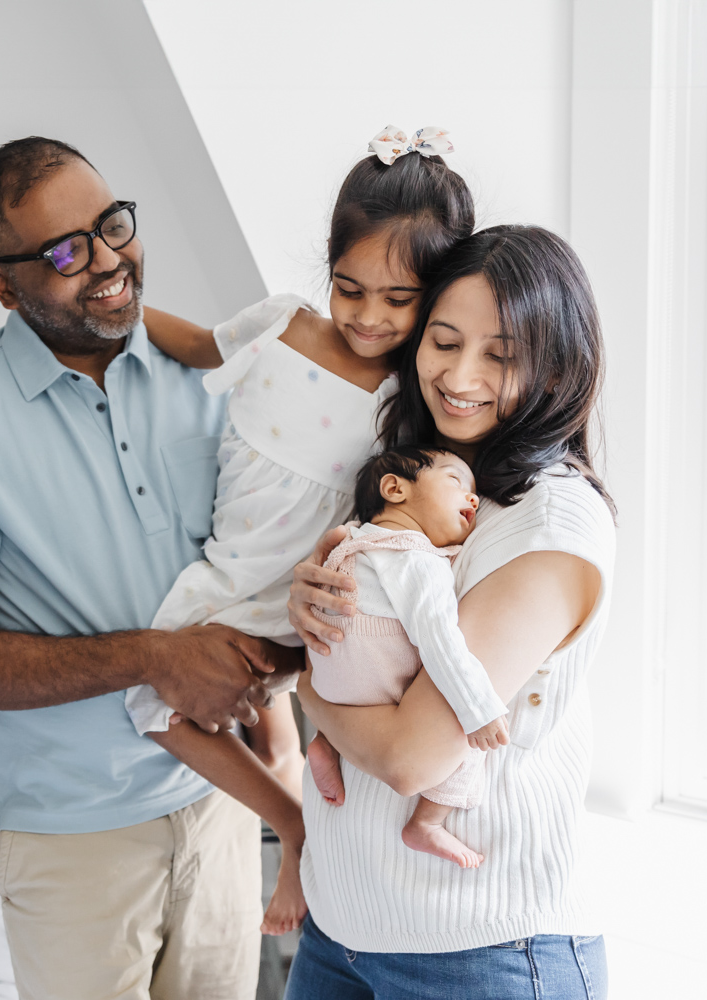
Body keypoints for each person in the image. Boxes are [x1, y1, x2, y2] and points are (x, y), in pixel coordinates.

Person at [0, 136, 305, 1000]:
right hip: (72, 843)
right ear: (1, 284)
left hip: (221, 807)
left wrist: (282, 742)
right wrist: (153, 657)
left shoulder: (207, 373)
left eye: (113, 225)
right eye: (65, 253)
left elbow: (254, 556)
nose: (109, 260)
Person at [126, 126, 476, 935]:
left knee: (164, 701)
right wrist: (117, 312)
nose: (368, 317)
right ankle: (294, 800)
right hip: (232, 570)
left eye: (398, 300)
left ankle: (294, 823)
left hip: (312, 602)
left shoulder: (411, 397)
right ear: (327, 268)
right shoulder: (282, 323)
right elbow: (200, 347)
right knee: (167, 696)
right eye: (349, 289)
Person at [284, 225, 616, 999]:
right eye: (444, 342)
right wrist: (312, 613)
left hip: (486, 950)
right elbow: (368, 658)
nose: (460, 377)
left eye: (501, 355)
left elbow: (414, 758)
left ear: (556, 368)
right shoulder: (420, 482)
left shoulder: (550, 523)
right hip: (341, 926)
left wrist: (307, 690)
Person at [303, 445, 510, 869]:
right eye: (456, 481)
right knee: (465, 733)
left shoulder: (352, 541)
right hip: (376, 671)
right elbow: (441, 639)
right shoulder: (416, 557)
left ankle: (326, 740)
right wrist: (480, 710)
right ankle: (427, 822)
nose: (473, 498)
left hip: (330, 679)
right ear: (395, 489)